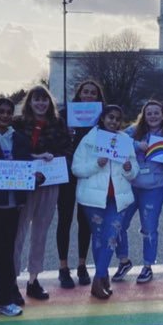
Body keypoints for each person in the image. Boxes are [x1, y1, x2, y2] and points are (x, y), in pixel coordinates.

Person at [12, 85, 73, 304]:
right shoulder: (17, 124)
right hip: (23, 184)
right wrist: (34, 156)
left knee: (40, 232)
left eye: (44, 100)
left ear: (49, 102)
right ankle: (10, 282)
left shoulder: (58, 123)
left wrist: (54, 158)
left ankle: (33, 279)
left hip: (49, 183)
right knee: (17, 234)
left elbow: (68, 150)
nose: (41, 104)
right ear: (29, 102)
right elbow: (11, 151)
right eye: (36, 100)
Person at [72, 105, 138, 299]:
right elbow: (76, 168)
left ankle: (98, 279)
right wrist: (96, 164)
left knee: (111, 236)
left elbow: (134, 171)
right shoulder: (89, 140)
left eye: (118, 119)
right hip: (93, 199)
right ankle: (103, 278)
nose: (114, 121)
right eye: (110, 117)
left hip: (119, 198)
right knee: (99, 238)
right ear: (102, 118)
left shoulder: (125, 140)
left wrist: (128, 168)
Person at [112, 100, 163, 284]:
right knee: (118, 224)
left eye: (156, 113)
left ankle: (147, 266)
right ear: (144, 115)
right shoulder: (133, 131)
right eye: (149, 113)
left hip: (154, 188)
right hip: (132, 185)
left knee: (149, 228)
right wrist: (136, 146)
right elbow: (116, 141)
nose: (152, 116)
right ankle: (123, 260)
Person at [56, 79, 105, 289]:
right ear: (79, 94)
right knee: (65, 219)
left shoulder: (101, 117)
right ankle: (63, 267)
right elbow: (55, 141)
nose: (89, 95)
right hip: (67, 172)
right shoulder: (65, 115)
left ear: (98, 96)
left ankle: (82, 265)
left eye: (93, 93)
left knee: (85, 220)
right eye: (85, 92)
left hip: (89, 172)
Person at [0, 98, 34, 317]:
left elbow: (25, 164)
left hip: (10, 205)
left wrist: (34, 176)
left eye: (9, 112)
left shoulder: (19, 138)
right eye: (0, 111)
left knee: (6, 254)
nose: (5, 116)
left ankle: (2, 301)